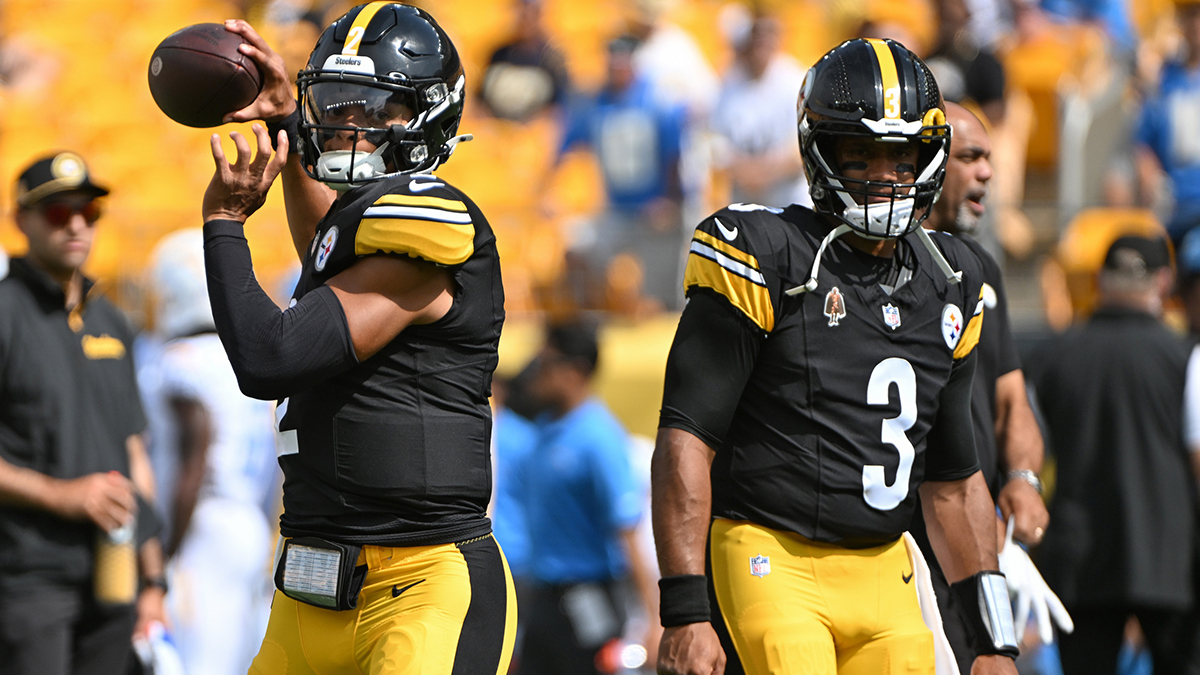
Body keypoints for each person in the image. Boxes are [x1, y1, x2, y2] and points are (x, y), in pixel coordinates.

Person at [652, 39, 1020, 675]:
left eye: (901, 154)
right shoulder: (769, 253)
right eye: (860, 151)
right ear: (821, 151)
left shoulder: (952, 278)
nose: (884, 172)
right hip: (772, 554)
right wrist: (685, 610)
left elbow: (955, 484)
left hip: (885, 567)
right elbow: (687, 437)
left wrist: (993, 640)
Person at [203, 4, 514, 673]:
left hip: (418, 588)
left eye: (376, 110)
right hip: (308, 592)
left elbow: (271, 357)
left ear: (429, 113)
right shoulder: (359, 231)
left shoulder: (429, 219)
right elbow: (326, 247)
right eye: (337, 106)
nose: (349, 127)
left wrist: (226, 223)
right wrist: (287, 119)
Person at [911, 102, 1070, 670]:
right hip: (900, 538)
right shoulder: (872, 266)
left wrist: (1024, 480)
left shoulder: (980, 269)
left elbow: (1012, 399)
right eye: (971, 157)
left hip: (974, 532)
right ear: (927, 162)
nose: (987, 174)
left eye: (989, 159)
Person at [0, 151, 165, 675]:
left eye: (88, 212)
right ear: (19, 220)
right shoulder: (4, 315)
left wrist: (154, 581)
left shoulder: (112, 320)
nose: (75, 223)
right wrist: (62, 495)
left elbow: (135, 451)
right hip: (28, 580)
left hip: (114, 577)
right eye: (56, 212)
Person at [1032, 235, 1197, 674]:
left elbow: (1025, 455)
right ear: (1163, 283)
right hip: (1170, 563)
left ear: (1101, 282)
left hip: (1078, 559)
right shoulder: (1185, 357)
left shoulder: (1054, 355)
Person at [145, 228, 279, 675]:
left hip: (202, 524)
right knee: (236, 657)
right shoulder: (246, 360)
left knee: (199, 663)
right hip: (247, 522)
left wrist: (167, 547)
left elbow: (195, 451)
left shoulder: (182, 360)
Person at [514, 321, 657, 675]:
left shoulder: (599, 437)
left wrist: (655, 619)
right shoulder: (545, 429)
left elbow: (627, 530)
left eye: (546, 364)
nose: (537, 374)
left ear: (576, 370)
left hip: (589, 596)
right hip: (544, 596)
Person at [547, 34, 689, 311]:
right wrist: (550, 190)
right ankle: (589, 323)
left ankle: (664, 321)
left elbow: (676, 156)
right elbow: (567, 145)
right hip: (614, 211)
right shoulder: (597, 104)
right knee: (576, 248)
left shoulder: (659, 101)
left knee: (661, 291)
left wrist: (670, 200)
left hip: (654, 210)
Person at [711, 13, 810, 210]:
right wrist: (744, 172)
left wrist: (763, 174)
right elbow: (714, 141)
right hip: (744, 202)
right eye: (757, 38)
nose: (762, 45)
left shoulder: (795, 80)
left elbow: (802, 145)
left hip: (790, 202)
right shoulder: (729, 83)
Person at [1135, 0, 1200, 243]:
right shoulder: (1163, 82)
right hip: (1179, 204)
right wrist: (1153, 185)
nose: (1196, 24)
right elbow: (1144, 144)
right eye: (1190, 16)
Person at [478, 0, 570, 123]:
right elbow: (480, 104)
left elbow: (557, 111)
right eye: (522, 11)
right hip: (497, 132)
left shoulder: (552, 60)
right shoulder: (499, 54)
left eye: (532, 12)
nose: (526, 17)